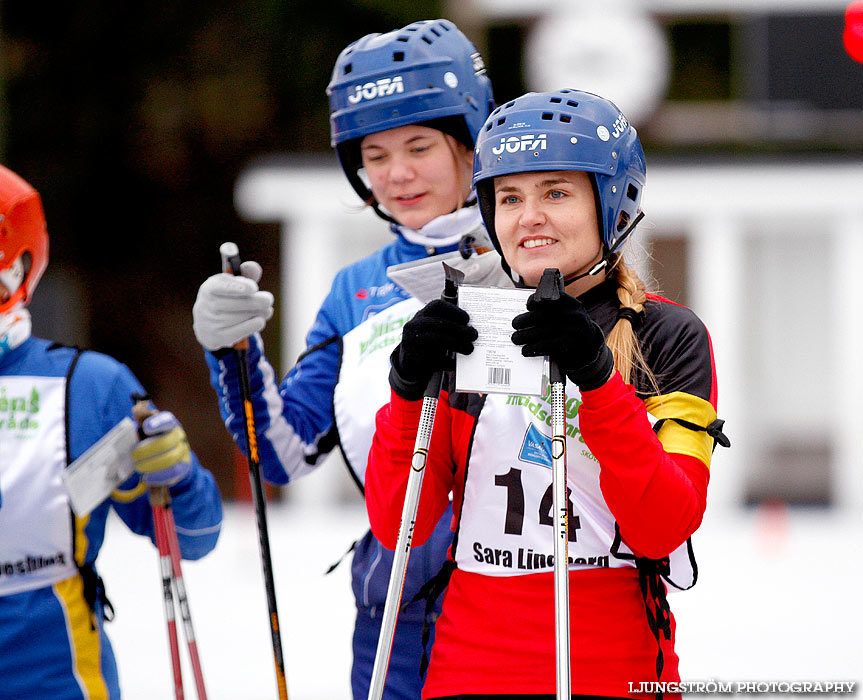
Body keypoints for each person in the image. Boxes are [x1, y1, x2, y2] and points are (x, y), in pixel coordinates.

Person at [365, 89, 729, 698]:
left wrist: (596, 379)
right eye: (509, 198)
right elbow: (399, 523)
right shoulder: (471, 327)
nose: (528, 217)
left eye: (555, 193)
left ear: (610, 203)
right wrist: (406, 392)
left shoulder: (666, 334)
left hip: (610, 670)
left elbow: (662, 526)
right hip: (469, 670)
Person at [191, 18, 495, 700]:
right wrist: (232, 352)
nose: (397, 173)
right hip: (398, 612)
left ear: (470, 143)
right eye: (374, 154)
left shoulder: (530, 260)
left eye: (418, 146)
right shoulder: (355, 291)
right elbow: (286, 450)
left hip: (523, 603)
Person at [0, 164, 223, 700]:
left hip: (53, 675)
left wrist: (180, 476)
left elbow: (192, 538)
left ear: (16, 268)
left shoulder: (89, 386)